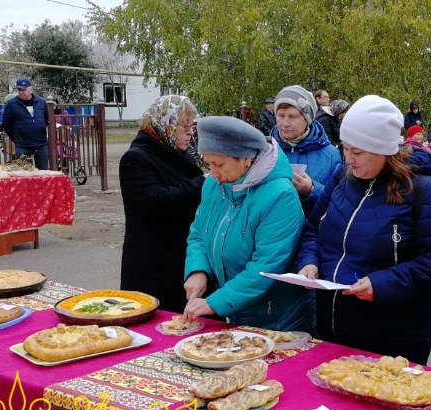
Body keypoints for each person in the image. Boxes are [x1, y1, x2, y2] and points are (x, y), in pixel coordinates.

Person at [297, 95, 431, 364]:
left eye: (357, 152)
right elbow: (313, 229)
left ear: (384, 150)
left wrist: (382, 284)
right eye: (345, 149)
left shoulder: (427, 191)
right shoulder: (341, 179)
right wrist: (310, 262)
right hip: (332, 327)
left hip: (395, 338)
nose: (348, 158)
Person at [182, 116, 314, 331]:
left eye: (219, 164)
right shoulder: (215, 185)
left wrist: (214, 302)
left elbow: (266, 265)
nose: (213, 173)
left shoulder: (280, 194)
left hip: (276, 318)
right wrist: (198, 270)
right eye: (209, 164)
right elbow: (198, 232)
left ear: (245, 158)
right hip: (234, 310)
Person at [119, 96, 206, 314]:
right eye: (183, 126)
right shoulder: (136, 158)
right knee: (156, 324)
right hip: (154, 263)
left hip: (182, 256)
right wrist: (202, 182)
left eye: (191, 126)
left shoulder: (178, 154)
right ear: (164, 124)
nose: (190, 132)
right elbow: (155, 201)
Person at [271, 85, 342, 217]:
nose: (285, 123)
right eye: (280, 115)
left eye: (292, 117)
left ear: (307, 119)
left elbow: (339, 204)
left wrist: (312, 190)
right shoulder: (266, 151)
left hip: (311, 233)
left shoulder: (331, 155)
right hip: (270, 234)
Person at [1, 78, 49, 169]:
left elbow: (45, 120)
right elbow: (6, 124)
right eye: (19, 90)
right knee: (23, 173)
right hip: (23, 145)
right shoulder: (11, 104)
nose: (21, 92)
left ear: (31, 90)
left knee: (43, 173)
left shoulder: (41, 102)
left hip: (41, 144)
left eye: (24, 90)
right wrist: (17, 137)